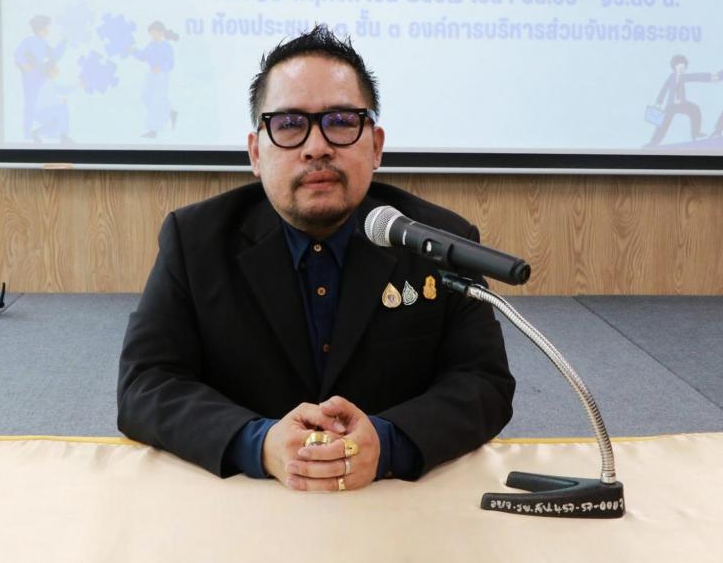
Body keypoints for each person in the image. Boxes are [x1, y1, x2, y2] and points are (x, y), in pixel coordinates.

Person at [117, 25, 514, 492]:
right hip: (245, 498)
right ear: (256, 153)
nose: (316, 146)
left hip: (390, 501)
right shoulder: (195, 240)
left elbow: (483, 382)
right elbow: (145, 384)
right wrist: (257, 441)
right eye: (289, 125)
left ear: (376, 146)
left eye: (341, 121)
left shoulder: (438, 242)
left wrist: (389, 442)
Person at [13, 15, 66, 140]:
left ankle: (42, 131)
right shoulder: (29, 41)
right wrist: (25, 66)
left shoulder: (44, 43)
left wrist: (64, 42)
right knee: (30, 104)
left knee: (43, 102)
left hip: (41, 77)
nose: (48, 30)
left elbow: (54, 55)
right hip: (31, 78)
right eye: (46, 28)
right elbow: (17, 54)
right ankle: (27, 134)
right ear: (40, 29)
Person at [646, 55, 711, 146]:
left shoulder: (683, 77)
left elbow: (695, 76)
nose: (682, 70)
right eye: (680, 68)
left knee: (695, 109)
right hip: (671, 105)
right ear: (675, 67)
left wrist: (709, 77)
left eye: (683, 68)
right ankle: (654, 142)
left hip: (682, 104)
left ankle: (695, 133)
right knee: (663, 122)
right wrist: (659, 102)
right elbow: (664, 89)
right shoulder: (671, 77)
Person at [129, 21, 179, 138]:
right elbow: (144, 56)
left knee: (156, 101)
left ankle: (153, 130)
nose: (152, 35)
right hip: (151, 74)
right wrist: (133, 51)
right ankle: (170, 112)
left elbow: (170, 64)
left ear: (161, 33)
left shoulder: (167, 47)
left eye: (155, 33)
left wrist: (160, 68)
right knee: (145, 97)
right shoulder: (151, 45)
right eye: (151, 33)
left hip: (162, 76)